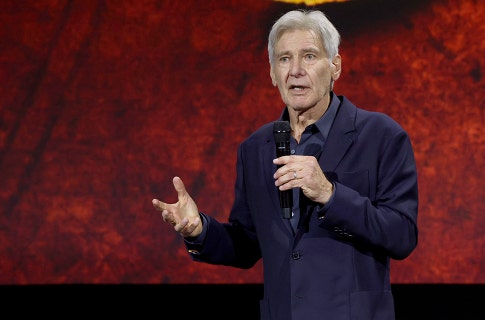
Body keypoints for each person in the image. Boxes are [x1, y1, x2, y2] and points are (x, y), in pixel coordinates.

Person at [152, 9, 419, 320]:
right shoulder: (254, 148)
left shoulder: (381, 135)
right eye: (284, 59)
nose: (295, 70)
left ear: (335, 66)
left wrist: (331, 194)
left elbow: (402, 235)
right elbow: (247, 243)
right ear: (272, 73)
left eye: (309, 56)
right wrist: (199, 229)